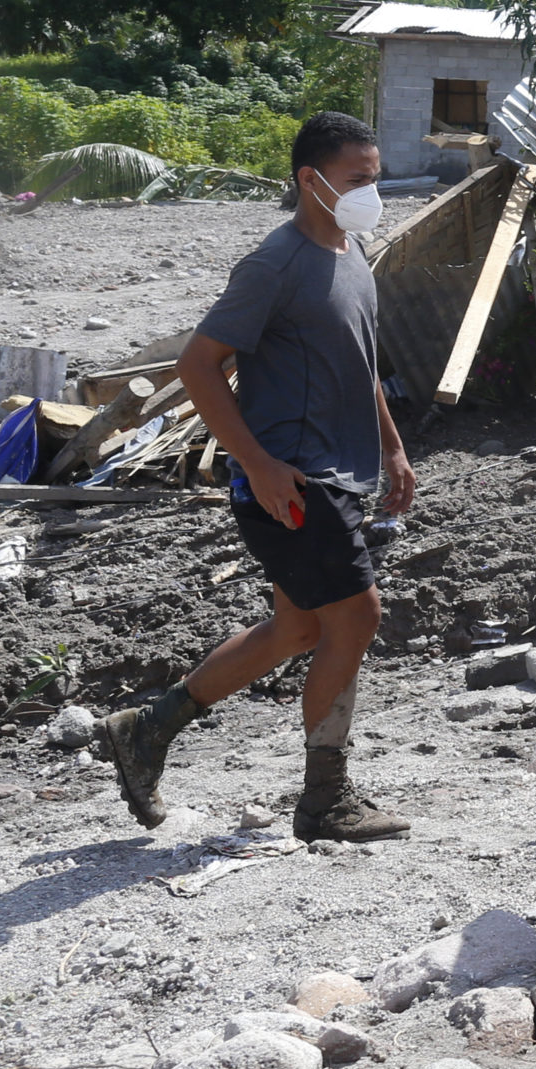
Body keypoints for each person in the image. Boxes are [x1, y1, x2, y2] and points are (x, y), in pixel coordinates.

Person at [98, 112, 418, 842]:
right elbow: (197, 365)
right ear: (311, 180)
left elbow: (361, 369)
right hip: (293, 483)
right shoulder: (274, 264)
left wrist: (394, 450)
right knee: (357, 616)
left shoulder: (351, 253)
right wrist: (258, 463)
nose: (374, 191)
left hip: (337, 473)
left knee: (298, 627)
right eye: (359, 179)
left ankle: (145, 729)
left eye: (377, 177)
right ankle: (324, 799)